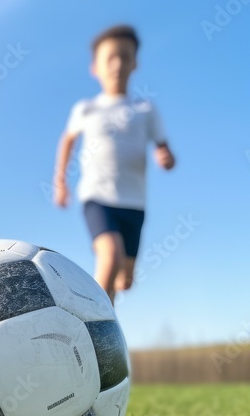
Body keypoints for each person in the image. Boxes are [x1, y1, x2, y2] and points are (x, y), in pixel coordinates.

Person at [53, 24, 176, 303]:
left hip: (134, 203)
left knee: (125, 280)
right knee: (110, 255)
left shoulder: (144, 110)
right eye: (110, 57)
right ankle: (94, 330)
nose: (118, 63)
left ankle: (107, 317)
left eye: (125, 56)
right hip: (98, 197)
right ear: (94, 67)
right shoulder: (86, 108)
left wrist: (166, 159)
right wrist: (60, 182)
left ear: (135, 63)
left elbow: (165, 149)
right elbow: (67, 141)